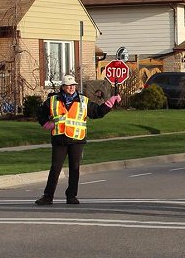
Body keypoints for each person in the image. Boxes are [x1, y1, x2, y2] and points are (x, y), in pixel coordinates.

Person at [35, 75, 121, 205]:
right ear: (62, 87)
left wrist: (110, 103)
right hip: (60, 139)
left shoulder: (83, 101)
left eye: (73, 85)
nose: (71, 88)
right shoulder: (52, 100)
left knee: (74, 168)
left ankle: (71, 196)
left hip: (77, 140)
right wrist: (45, 123)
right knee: (55, 168)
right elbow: (40, 112)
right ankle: (48, 196)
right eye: (69, 85)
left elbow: (97, 112)